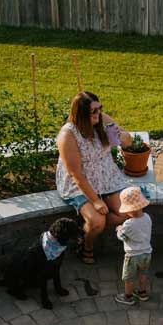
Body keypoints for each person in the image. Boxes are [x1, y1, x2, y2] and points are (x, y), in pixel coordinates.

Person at [56, 91, 134, 264]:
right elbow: (75, 174)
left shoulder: (103, 120)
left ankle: (84, 231)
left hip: (107, 176)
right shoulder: (67, 135)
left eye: (99, 108)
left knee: (129, 212)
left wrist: (122, 136)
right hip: (80, 182)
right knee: (97, 221)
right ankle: (87, 244)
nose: (98, 113)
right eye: (94, 111)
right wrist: (96, 201)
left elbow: (127, 142)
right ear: (82, 114)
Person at [114, 187, 152, 306]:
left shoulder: (128, 224)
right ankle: (142, 293)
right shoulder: (147, 217)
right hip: (146, 253)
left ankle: (128, 296)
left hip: (132, 256)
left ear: (128, 210)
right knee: (142, 274)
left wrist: (118, 229)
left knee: (128, 278)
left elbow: (122, 236)